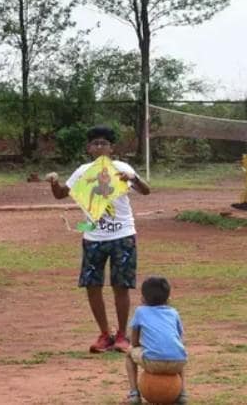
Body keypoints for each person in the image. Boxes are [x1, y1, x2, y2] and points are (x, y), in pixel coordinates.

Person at [47, 125, 151, 353]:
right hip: (93, 236)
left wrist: (132, 178)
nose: (99, 147)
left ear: (112, 148)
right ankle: (105, 334)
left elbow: (146, 190)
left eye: (104, 143)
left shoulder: (121, 167)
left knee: (120, 286)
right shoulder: (83, 171)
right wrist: (54, 182)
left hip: (122, 234)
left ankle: (122, 335)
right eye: (95, 143)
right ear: (88, 148)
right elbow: (62, 194)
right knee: (92, 285)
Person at [123, 276, 188, 405]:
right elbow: (180, 338)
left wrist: (137, 347)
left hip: (153, 361)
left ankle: (134, 394)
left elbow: (134, 342)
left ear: (143, 299)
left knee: (129, 355)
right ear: (169, 299)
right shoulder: (174, 312)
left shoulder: (140, 311)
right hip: (178, 362)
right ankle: (182, 393)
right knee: (177, 350)